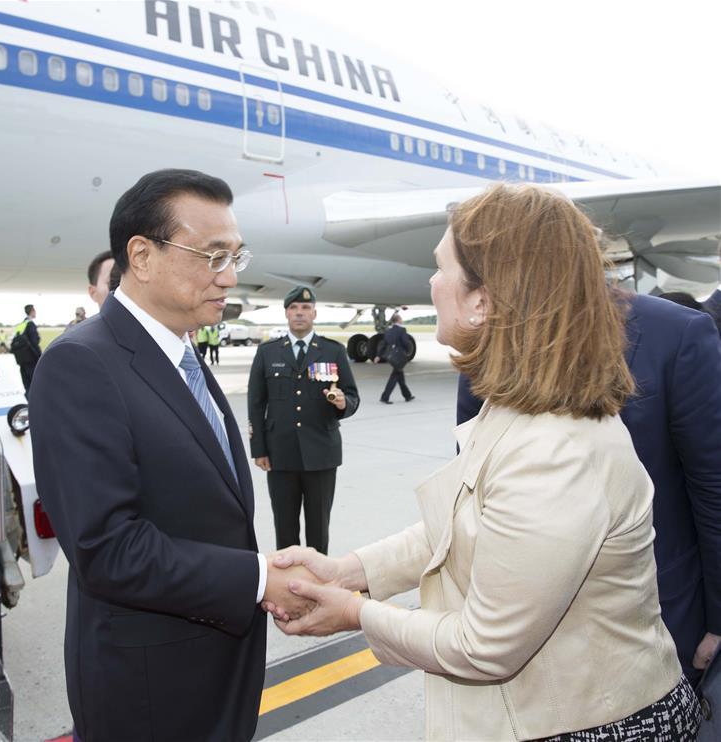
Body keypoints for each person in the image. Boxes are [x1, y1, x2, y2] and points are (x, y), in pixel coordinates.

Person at [266, 184, 701, 740]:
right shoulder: (517, 408)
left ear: (483, 300)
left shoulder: (555, 450)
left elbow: (486, 647)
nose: (431, 283)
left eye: (441, 268)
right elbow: (454, 528)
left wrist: (353, 613)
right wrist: (346, 572)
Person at [29, 169, 315, 742]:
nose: (230, 276)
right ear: (142, 255)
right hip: (150, 690)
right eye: (212, 256)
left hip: (214, 664)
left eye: (236, 256)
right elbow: (107, 548)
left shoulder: (180, 352)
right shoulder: (81, 364)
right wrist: (258, 579)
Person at [457, 286, 721, 689]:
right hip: (524, 636)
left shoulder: (674, 333)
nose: (434, 281)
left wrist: (718, 623)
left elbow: (712, 490)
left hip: (653, 626)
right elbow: (471, 488)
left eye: (444, 267)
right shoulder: (485, 343)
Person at [247, 286, 359, 555]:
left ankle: (318, 585)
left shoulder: (333, 351)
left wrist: (343, 403)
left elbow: (352, 396)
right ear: (286, 313)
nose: (300, 313)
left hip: (321, 453)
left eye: (305, 308)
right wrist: (259, 449)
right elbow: (256, 403)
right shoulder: (268, 352)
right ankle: (289, 587)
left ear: (314, 313)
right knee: (284, 528)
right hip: (280, 453)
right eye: (294, 308)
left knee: (319, 528)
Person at [376, 313, 415, 404]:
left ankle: (407, 396)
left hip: (390, 357)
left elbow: (383, 344)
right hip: (399, 357)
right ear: (398, 320)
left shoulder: (388, 331)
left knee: (399, 375)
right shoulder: (402, 330)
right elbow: (405, 342)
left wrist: (378, 355)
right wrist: (408, 351)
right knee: (394, 377)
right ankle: (385, 397)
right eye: (401, 318)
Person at [11, 304, 41, 395]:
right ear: (32, 311)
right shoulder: (30, 324)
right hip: (31, 358)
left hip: (21, 359)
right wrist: (39, 356)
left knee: (26, 383)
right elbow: (34, 342)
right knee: (34, 382)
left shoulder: (20, 325)